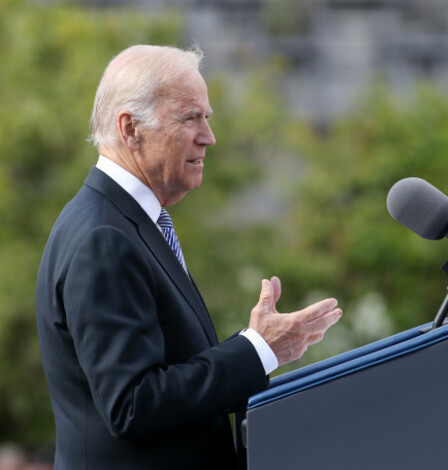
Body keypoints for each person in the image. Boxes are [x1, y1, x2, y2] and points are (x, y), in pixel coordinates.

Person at [35, 44, 342, 470]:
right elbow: (133, 403)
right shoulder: (104, 237)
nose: (209, 137)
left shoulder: (127, 223)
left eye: (207, 118)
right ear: (130, 128)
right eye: (190, 118)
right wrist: (259, 350)